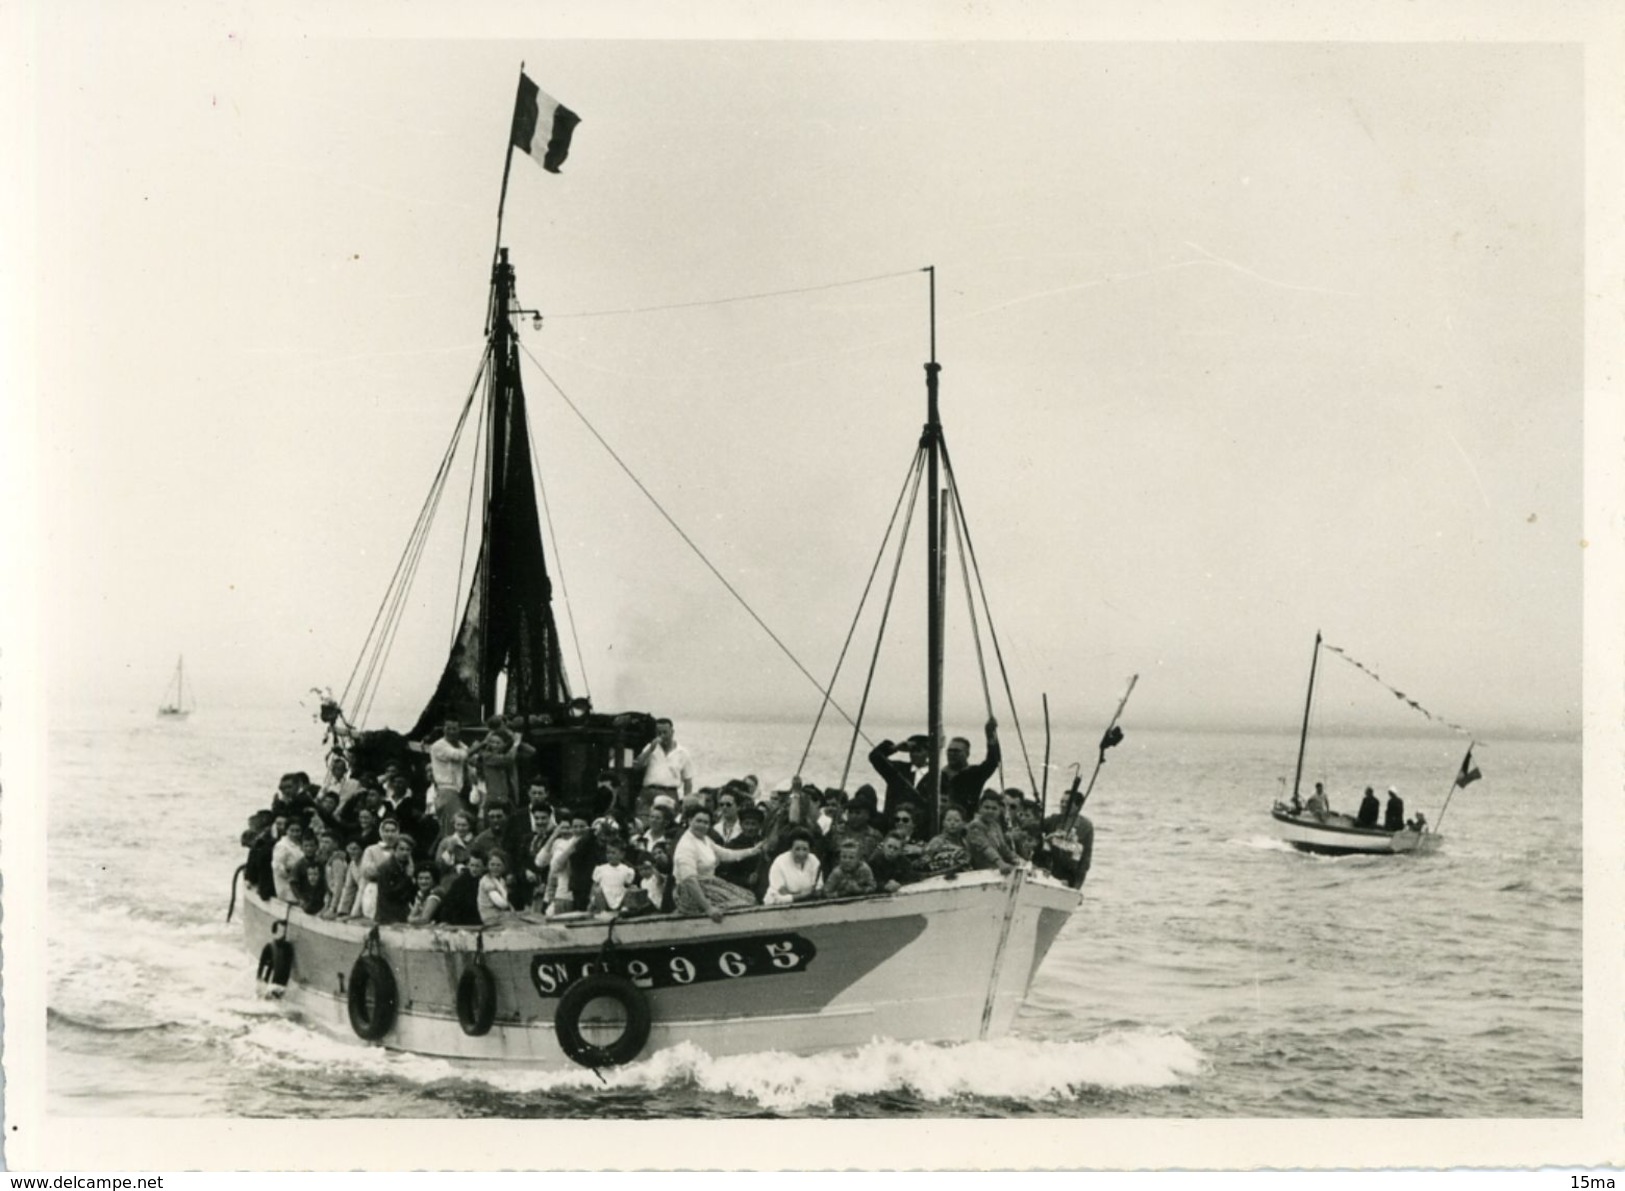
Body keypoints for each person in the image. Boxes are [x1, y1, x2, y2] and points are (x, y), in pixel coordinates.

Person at [672, 808, 764, 921]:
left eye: (706, 822)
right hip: (691, 893)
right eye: (698, 821)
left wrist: (753, 851)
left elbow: (726, 854)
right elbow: (689, 880)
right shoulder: (686, 845)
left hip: (709, 884)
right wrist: (708, 908)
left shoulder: (704, 839)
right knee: (742, 903)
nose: (702, 825)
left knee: (750, 897)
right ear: (690, 820)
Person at [633, 718, 694, 815]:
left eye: (665, 732)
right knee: (642, 821)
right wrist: (650, 749)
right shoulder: (651, 748)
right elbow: (637, 766)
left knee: (667, 822)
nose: (662, 736)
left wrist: (686, 803)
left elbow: (688, 781)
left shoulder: (683, 753)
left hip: (669, 793)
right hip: (648, 792)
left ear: (672, 732)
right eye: (658, 733)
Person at [964, 789, 1020, 875]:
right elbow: (985, 848)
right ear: (980, 808)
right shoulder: (975, 825)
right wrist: (1000, 863)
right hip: (978, 872)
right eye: (986, 807)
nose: (990, 811)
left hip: (994, 869)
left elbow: (1004, 848)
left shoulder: (995, 825)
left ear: (999, 811)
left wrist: (1018, 860)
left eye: (994, 808)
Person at [764, 829, 822, 905]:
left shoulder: (814, 861)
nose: (801, 854)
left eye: (805, 849)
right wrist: (802, 895)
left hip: (807, 904)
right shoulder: (779, 862)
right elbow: (781, 893)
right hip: (779, 905)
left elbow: (817, 889)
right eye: (797, 849)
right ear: (790, 848)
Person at [588, 838, 638, 914]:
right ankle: (603, 911)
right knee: (597, 890)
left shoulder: (626, 870)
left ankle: (625, 909)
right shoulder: (601, 869)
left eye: (613, 853)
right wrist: (591, 900)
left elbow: (628, 885)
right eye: (608, 853)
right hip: (605, 898)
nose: (610, 855)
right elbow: (594, 885)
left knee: (633, 889)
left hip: (620, 897)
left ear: (622, 854)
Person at [922, 805, 972, 873]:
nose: (952, 823)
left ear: (963, 823)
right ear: (943, 823)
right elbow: (926, 860)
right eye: (948, 820)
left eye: (957, 820)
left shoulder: (964, 842)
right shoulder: (937, 841)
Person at [271, 819, 307, 901]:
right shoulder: (282, 846)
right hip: (287, 885)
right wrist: (291, 871)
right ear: (286, 831)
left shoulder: (300, 844)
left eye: (298, 831)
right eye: (292, 831)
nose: (295, 834)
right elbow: (277, 867)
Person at [477, 849, 516, 925]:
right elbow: (501, 903)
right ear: (488, 865)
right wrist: (509, 906)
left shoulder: (501, 880)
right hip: (490, 917)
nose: (495, 868)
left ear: (504, 866)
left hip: (499, 916)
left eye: (498, 865)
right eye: (492, 864)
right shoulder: (486, 881)